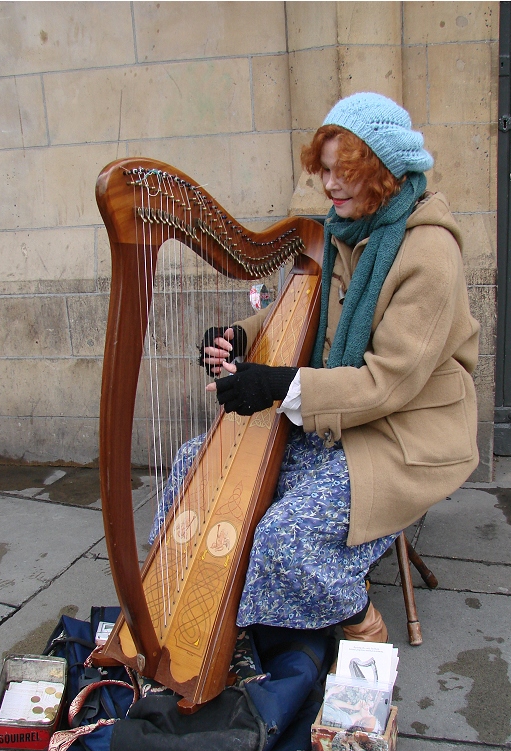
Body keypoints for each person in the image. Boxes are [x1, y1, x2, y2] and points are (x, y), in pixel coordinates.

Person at [165, 92, 480, 643]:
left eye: (344, 172)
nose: (329, 185)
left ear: (381, 174)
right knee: (194, 463)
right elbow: (309, 314)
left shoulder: (429, 254)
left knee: (287, 534)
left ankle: (356, 620)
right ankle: (206, 599)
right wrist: (242, 333)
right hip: (338, 415)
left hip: (404, 432)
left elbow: (387, 385)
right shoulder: (341, 235)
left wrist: (279, 384)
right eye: (325, 170)